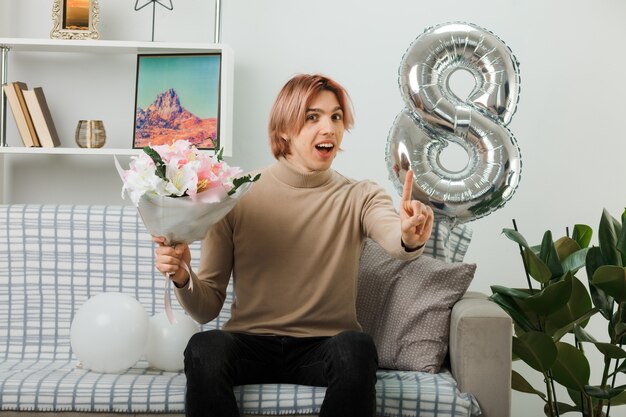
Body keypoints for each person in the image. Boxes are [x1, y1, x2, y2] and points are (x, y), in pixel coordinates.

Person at [153, 74, 434, 417]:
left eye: (336, 117)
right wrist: (183, 274)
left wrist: (409, 235)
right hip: (249, 344)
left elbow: (393, 235)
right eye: (313, 117)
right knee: (203, 347)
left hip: (324, 347)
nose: (328, 128)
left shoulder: (361, 195)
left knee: (357, 347)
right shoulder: (235, 196)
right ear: (284, 129)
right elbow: (206, 307)